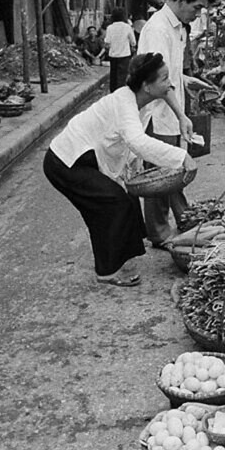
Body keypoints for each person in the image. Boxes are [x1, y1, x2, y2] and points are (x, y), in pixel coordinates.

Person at [43, 53, 198, 286]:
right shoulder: (125, 104)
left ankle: (113, 260)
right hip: (66, 161)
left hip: (82, 157)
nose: (170, 84)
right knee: (114, 204)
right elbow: (138, 142)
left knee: (117, 202)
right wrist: (181, 157)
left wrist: (181, 116)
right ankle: (107, 271)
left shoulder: (137, 98)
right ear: (146, 86)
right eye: (165, 78)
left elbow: (129, 138)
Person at [137, 0, 212, 247]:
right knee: (161, 174)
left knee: (173, 169)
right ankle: (159, 233)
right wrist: (182, 116)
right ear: (181, 1)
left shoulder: (179, 27)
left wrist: (188, 81)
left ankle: (184, 219)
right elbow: (158, 81)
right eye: (196, 8)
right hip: (158, 113)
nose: (198, 14)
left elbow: (171, 72)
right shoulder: (158, 29)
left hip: (171, 108)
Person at [103, 7, 136, 92]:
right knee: (122, 76)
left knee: (113, 76)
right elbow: (133, 42)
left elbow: (107, 42)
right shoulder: (127, 27)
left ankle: (113, 93)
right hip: (124, 55)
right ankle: (120, 93)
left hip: (113, 55)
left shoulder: (109, 27)